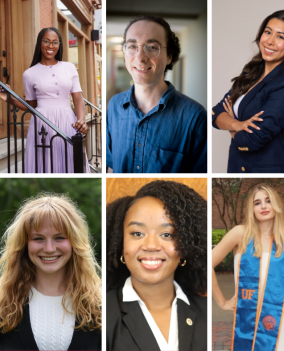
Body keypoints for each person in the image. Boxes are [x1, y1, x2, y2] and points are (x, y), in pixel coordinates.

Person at [106, 180, 207, 350]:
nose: (151, 245)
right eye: (137, 233)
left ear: (186, 246)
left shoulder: (205, 311)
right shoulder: (102, 313)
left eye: (167, 234)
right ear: (120, 243)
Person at [212, 185, 284, 351]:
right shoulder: (240, 234)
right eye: (257, 203)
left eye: (268, 201)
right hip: (247, 315)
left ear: (276, 205)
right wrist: (221, 302)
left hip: (279, 317)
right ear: (251, 209)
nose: (264, 206)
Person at [212, 10, 284, 173]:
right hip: (237, 168)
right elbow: (216, 112)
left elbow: (253, 139)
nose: (270, 41)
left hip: (266, 172)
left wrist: (229, 126)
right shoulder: (250, 73)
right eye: (268, 32)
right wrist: (237, 124)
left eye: (280, 36)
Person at [106, 15, 207, 173]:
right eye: (132, 46)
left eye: (152, 47)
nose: (140, 57)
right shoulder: (114, 106)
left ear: (169, 57)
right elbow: (111, 167)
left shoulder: (194, 116)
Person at [0, 194, 101, 350]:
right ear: (24, 244)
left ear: (75, 242)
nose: (49, 249)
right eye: (38, 239)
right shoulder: (3, 305)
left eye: (59, 238)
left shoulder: (99, 306)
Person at [0, 27, 90, 173]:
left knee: (70, 162)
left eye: (55, 42)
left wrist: (81, 120)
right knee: (46, 164)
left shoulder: (70, 68)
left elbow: (78, 99)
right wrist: (9, 98)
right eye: (46, 41)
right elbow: (31, 106)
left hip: (68, 121)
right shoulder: (29, 74)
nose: (50, 46)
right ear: (39, 43)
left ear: (59, 45)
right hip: (42, 124)